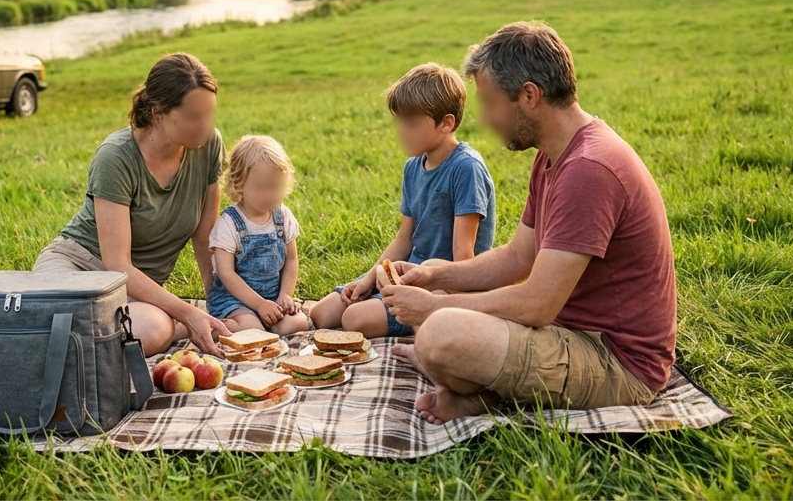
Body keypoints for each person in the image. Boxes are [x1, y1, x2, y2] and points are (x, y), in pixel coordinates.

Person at [380, 22, 678, 424]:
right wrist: (435, 275)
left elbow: (538, 304)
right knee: (444, 328)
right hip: (571, 334)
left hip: (617, 364)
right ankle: (478, 395)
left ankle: (473, 383)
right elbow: (517, 257)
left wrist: (435, 307)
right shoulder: (554, 155)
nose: (485, 119)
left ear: (530, 96)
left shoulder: (588, 169)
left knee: (439, 332)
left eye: (490, 103)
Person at [33, 52, 231, 356]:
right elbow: (117, 264)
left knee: (151, 327)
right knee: (147, 327)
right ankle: (172, 323)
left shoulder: (208, 146)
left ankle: (157, 325)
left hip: (136, 292)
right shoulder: (115, 157)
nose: (204, 125)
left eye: (210, 114)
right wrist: (187, 312)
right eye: (193, 117)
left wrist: (217, 304)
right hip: (78, 268)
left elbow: (205, 237)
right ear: (157, 113)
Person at [310, 63, 496, 338]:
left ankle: (424, 318)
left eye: (411, 124)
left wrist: (448, 303)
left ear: (446, 123)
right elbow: (404, 240)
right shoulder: (412, 168)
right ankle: (385, 303)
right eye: (399, 121)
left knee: (354, 319)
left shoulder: (466, 169)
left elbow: (464, 256)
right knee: (321, 314)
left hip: (445, 284)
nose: (401, 131)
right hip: (405, 272)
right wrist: (368, 278)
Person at [205, 135, 309, 334]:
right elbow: (226, 274)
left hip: (272, 297)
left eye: (275, 187)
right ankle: (209, 326)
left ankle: (263, 323)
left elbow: (291, 260)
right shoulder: (229, 224)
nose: (269, 195)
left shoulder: (283, 217)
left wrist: (285, 295)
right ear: (239, 183)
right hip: (234, 301)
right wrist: (259, 304)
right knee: (251, 329)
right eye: (261, 187)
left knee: (297, 324)